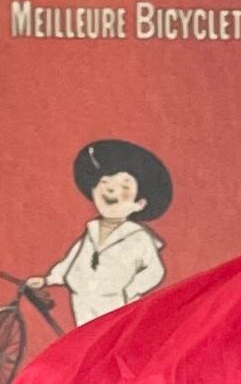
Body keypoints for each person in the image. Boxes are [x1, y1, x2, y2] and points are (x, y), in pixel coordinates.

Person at [39, 137, 171, 321]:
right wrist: (47, 280)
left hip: (117, 307)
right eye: (105, 182)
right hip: (82, 302)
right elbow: (72, 261)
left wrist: (129, 291)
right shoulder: (92, 231)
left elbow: (155, 271)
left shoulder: (138, 237)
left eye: (124, 186)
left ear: (139, 203)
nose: (110, 190)